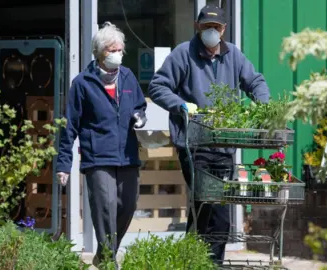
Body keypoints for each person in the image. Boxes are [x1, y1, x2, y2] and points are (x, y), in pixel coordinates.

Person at [148, 5, 270, 264]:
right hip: (194, 145)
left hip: (224, 145)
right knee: (207, 206)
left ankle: (202, 262)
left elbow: (255, 82)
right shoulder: (184, 54)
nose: (211, 32)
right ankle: (205, 263)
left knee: (213, 209)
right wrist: (180, 104)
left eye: (215, 27)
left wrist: (264, 105)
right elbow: (158, 86)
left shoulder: (233, 55)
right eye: (206, 27)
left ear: (223, 30)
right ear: (197, 27)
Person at [55, 22, 147, 268]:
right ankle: (108, 262)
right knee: (105, 208)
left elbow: (139, 105)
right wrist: (63, 164)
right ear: (99, 53)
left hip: (127, 155)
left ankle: (104, 254)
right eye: (111, 49)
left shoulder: (128, 77)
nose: (117, 53)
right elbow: (69, 126)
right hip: (98, 157)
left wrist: (140, 116)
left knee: (128, 205)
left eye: (120, 49)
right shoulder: (82, 83)